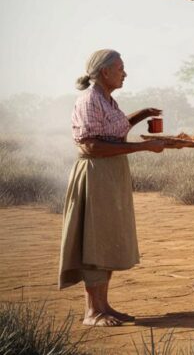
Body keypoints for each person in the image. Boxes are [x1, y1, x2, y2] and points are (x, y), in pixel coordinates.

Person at [58, 49, 169, 327]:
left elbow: (115, 131)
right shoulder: (89, 101)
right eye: (120, 68)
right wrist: (143, 146)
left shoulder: (107, 100)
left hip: (111, 175)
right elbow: (91, 145)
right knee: (95, 238)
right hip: (95, 175)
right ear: (104, 72)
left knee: (106, 238)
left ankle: (103, 305)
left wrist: (141, 115)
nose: (125, 73)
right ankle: (91, 312)